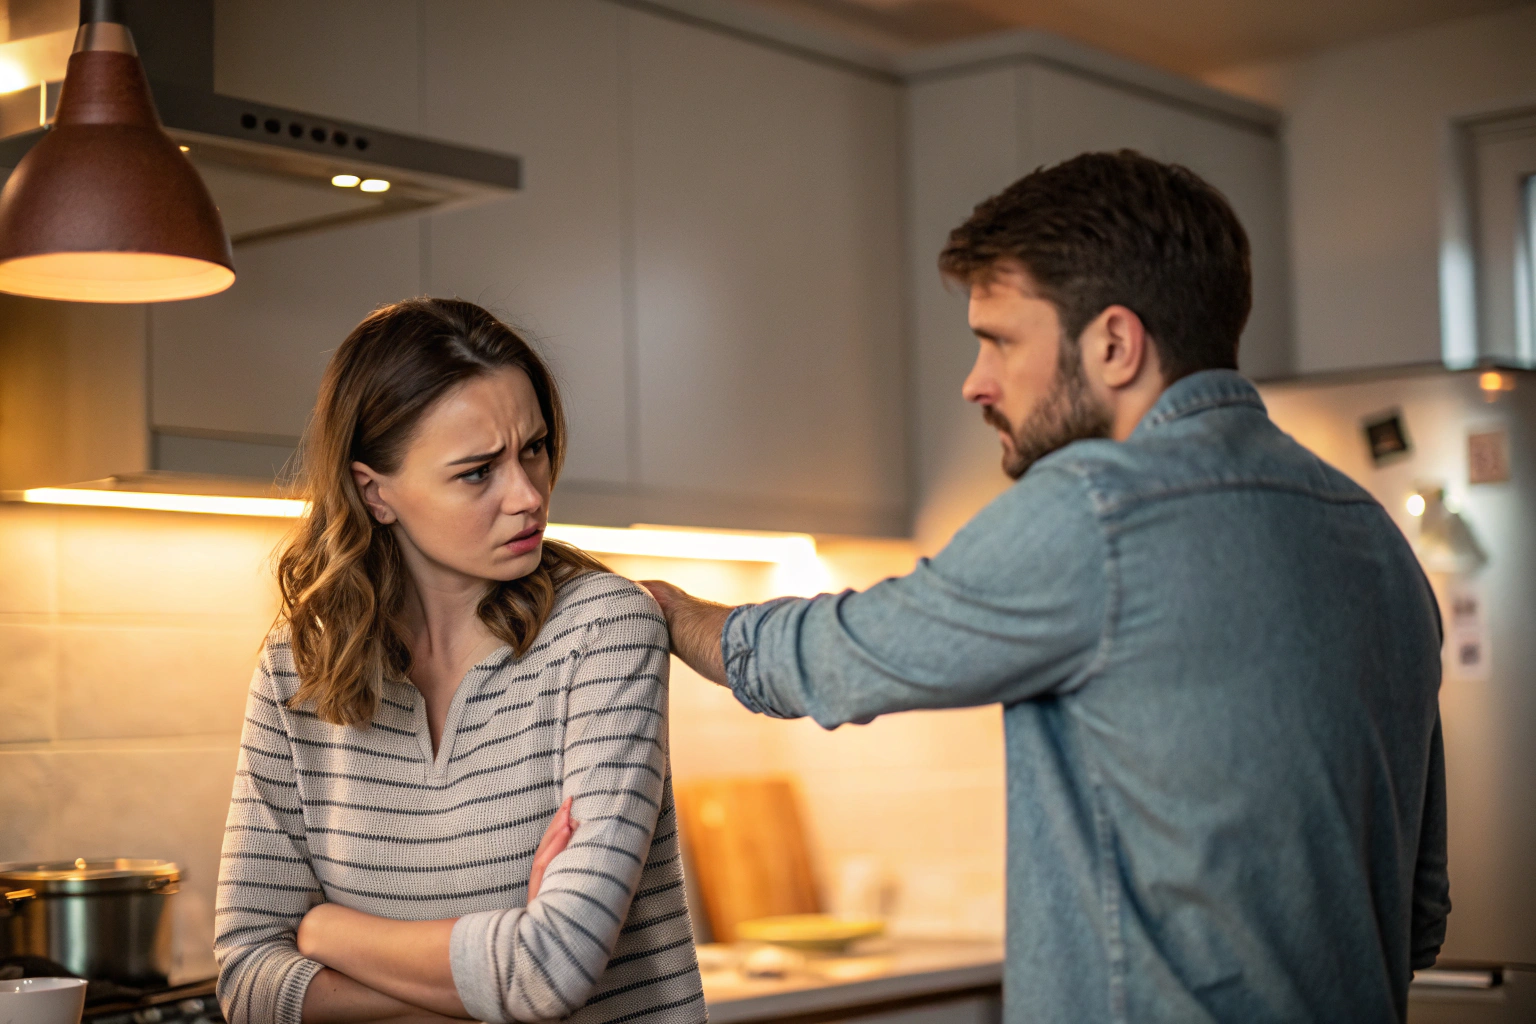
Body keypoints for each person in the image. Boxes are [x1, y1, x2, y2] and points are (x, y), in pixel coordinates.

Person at [643, 151, 1449, 1024]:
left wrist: (671, 613)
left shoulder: (1102, 507)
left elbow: (842, 657)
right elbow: (1420, 910)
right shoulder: (1373, 534)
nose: (975, 381)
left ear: (1113, 343)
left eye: (1000, 339)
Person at [216, 298, 703, 1024]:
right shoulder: (299, 667)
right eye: (479, 472)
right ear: (374, 492)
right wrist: (489, 982)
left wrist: (325, 933)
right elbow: (247, 980)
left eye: (533, 448)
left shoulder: (603, 629)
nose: (529, 495)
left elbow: (553, 968)